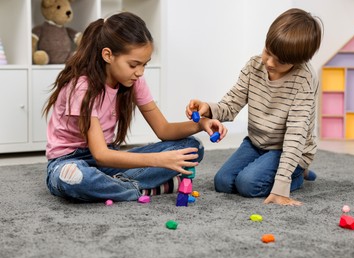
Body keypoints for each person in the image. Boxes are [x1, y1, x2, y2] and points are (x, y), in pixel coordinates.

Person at [43, 12, 227, 202]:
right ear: (108, 55)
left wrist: (201, 124)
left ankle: (113, 186)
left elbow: (163, 130)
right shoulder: (82, 88)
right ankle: (143, 189)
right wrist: (159, 160)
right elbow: (100, 155)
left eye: (144, 65)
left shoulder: (133, 80)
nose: (139, 72)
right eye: (133, 65)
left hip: (108, 160)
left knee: (192, 147)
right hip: (70, 160)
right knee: (73, 178)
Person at [186, 8, 323, 206]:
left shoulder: (304, 80)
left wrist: (281, 187)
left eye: (280, 61)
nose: (269, 62)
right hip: (256, 143)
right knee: (223, 182)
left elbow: (295, 136)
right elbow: (231, 104)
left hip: (288, 149)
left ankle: (297, 173)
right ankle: (285, 170)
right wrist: (207, 107)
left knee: (248, 185)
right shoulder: (254, 66)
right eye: (268, 51)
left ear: (299, 61)